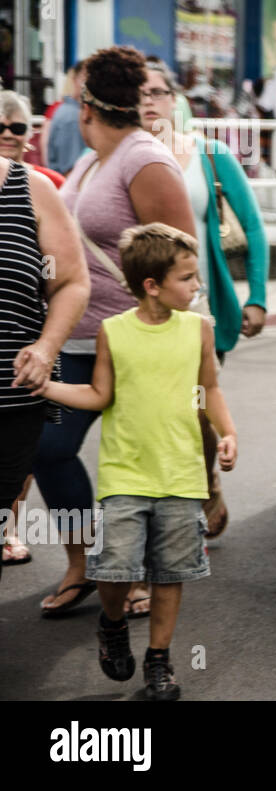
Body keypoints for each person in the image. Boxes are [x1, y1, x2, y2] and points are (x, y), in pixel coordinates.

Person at [36, 223, 236, 700]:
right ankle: (112, 623)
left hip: (182, 475)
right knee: (113, 569)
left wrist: (227, 432)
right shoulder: (114, 332)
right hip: (125, 475)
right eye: (187, 278)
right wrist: (46, 385)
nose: (196, 287)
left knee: (169, 574)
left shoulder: (198, 330)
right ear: (152, 285)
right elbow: (99, 393)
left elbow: (209, 388)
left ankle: (159, 661)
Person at [32, 46, 197, 617]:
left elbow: (181, 255)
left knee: (144, 461)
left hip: (139, 342)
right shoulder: (88, 163)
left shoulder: (145, 161)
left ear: (86, 104)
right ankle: (86, 564)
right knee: (49, 448)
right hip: (79, 338)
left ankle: (143, 572)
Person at [140, 59, 268, 538]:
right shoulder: (123, 160)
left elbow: (254, 228)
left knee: (193, 408)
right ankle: (168, 503)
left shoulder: (211, 155)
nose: (148, 102)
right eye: (139, 94)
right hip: (139, 312)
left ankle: (205, 482)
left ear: (174, 99)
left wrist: (257, 296)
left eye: (156, 91)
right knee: (155, 413)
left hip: (200, 310)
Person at [0, 91, 90, 578]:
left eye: (17, 127)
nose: (10, 135)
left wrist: (45, 345)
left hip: (11, 397)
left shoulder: (32, 188)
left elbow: (73, 282)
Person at [43, 60, 87, 175]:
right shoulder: (72, 118)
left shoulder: (73, 112)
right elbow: (71, 170)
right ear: (74, 80)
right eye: (85, 78)